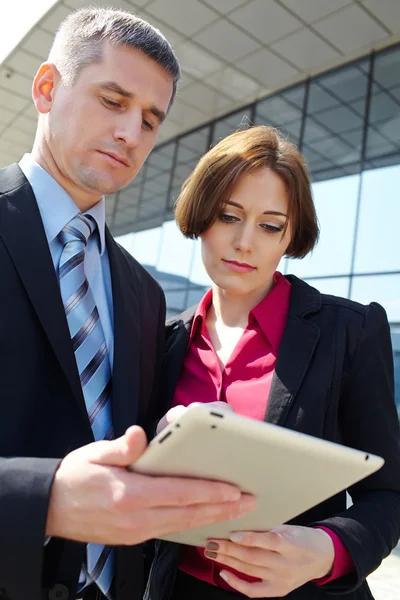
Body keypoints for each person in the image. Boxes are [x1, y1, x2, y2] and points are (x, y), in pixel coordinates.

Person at [0, 8, 256, 600]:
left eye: (150, 119)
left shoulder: (144, 293)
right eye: (112, 101)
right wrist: (43, 502)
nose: (131, 133)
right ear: (46, 88)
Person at [146, 125, 400, 600]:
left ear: (290, 237)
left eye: (269, 225)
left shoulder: (351, 332)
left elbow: (388, 496)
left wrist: (324, 550)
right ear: (201, 216)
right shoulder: (161, 341)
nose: (245, 242)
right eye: (228, 216)